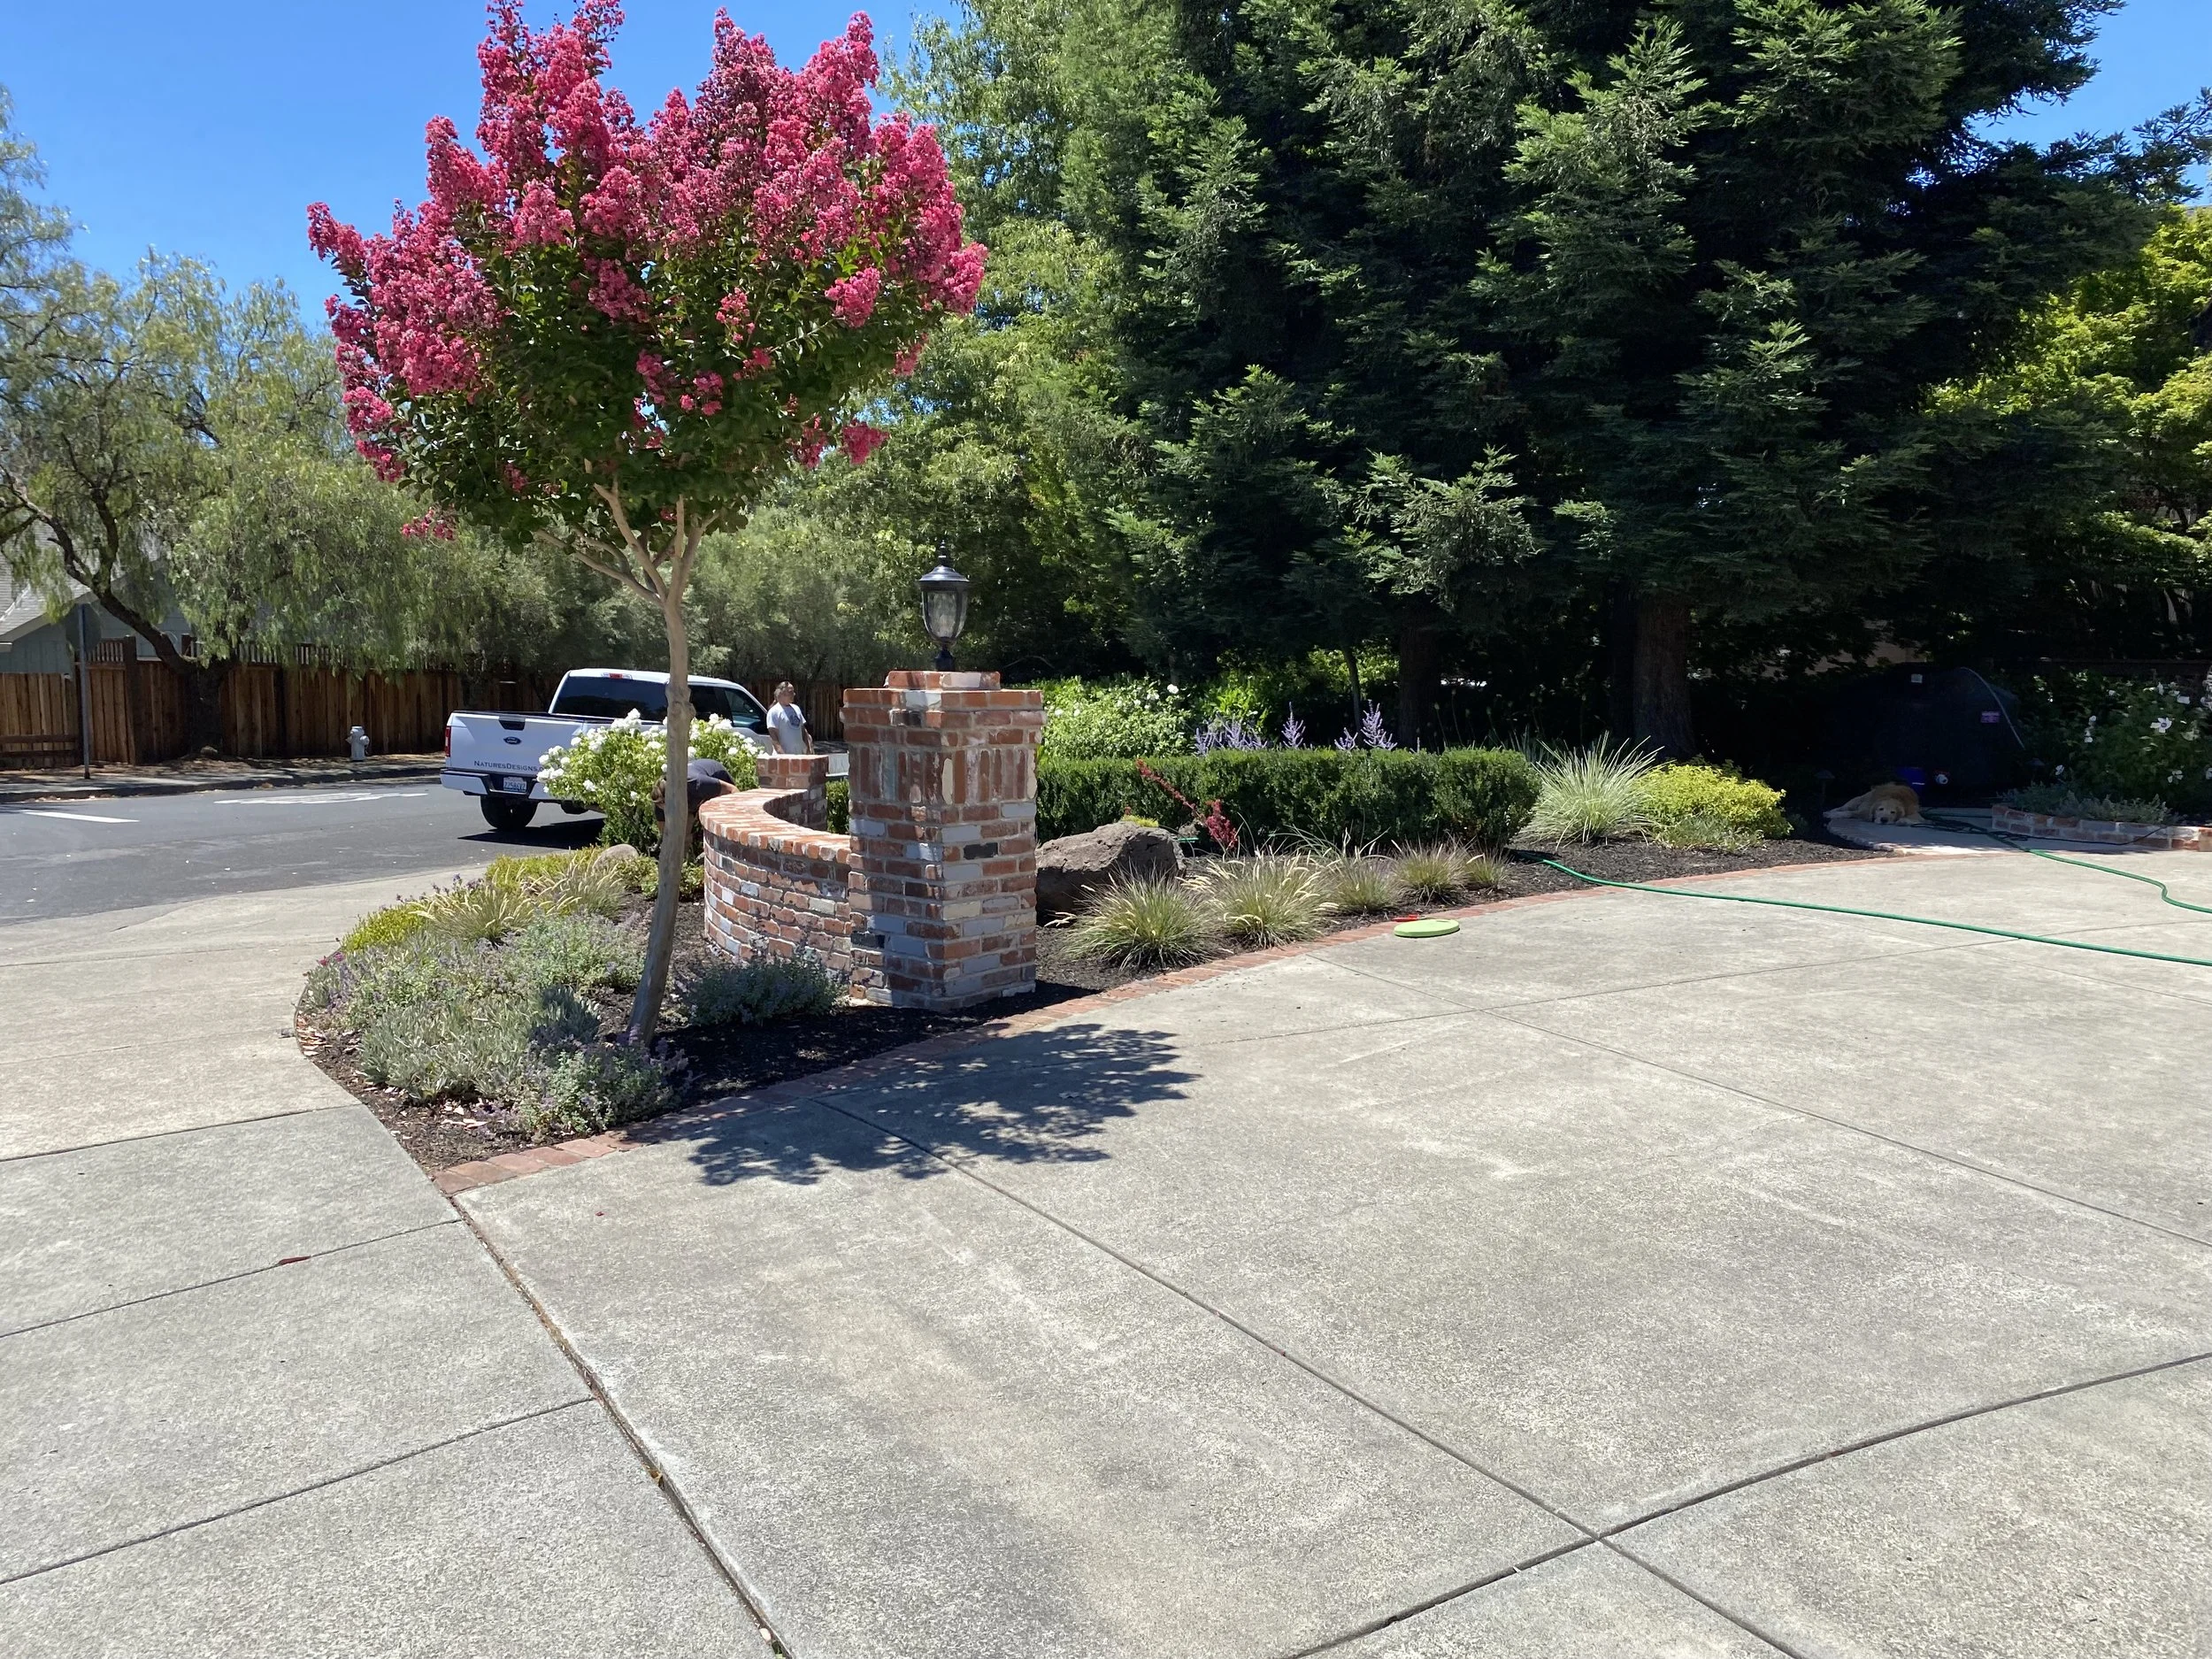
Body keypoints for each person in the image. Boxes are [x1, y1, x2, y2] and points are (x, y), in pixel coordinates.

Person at [766, 681, 812, 755]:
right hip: (783, 759)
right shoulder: (774, 712)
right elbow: (774, 738)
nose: (794, 694)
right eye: (791, 692)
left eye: (793, 692)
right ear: (781, 693)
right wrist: (784, 757)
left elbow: (803, 731)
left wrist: (808, 750)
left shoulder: (796, 709)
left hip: (799, 757)